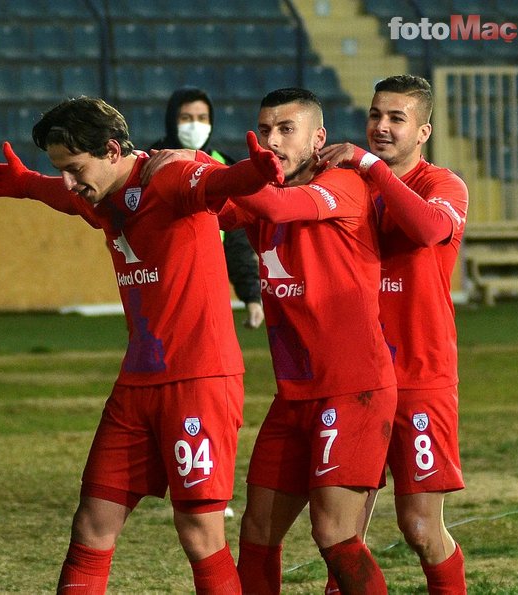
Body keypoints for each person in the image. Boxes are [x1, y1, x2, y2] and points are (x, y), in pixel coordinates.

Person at [0, 96, 285, 594]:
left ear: (112, 149)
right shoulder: (97, 193)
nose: (71, 183)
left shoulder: (167, 177)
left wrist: (253, 172)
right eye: (61, 171)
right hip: (137, 384)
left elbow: (219, 185)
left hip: (198, 380)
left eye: (75, 168)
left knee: (199, 534)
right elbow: (64, 195)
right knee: (91, 526)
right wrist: (27, 186)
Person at [143, 87, 398, 594]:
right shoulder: (263, 195)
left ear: (318, 138)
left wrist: (203, 162)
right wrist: (182, 175)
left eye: (286, 130)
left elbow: (279, 207)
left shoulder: (342, 184)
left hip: (354, 391)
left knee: (332, 534)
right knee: (257, 534)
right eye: (264, 130)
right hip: (293, 397)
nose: (272, 141)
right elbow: (214, 208)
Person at [319, 74, 469, 594]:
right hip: (357, 379)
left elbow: (428, 229)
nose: (381, 127)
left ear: (423, 131)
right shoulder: (353, 183)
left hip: (421, 376)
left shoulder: (443, 186)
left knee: (421, 527)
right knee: (341, 535)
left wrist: (373, 170)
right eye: (375, 115)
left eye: (396, 118)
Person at [151, 86, 264, 329]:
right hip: (159, 286)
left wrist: (252, 296)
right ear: (172, 120)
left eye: (202, 119)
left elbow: (236, 239)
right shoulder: (150, 161)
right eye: (186, 118)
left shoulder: (223, 165)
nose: (195, 125)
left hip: (207, 284)